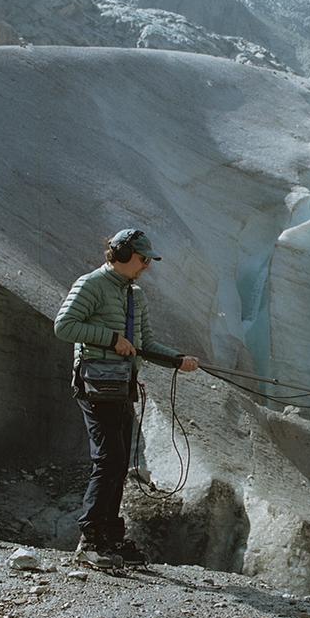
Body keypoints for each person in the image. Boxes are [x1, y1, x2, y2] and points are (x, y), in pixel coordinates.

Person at [54, 228, 199, 565]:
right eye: (142, 258)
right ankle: (91, 540)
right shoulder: (91, 284)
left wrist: (178, 359)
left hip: (121, 385)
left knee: (118, 462)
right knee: (109, 459)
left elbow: (144, 344)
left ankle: (110, 538)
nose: (147, 265)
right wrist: (111, 338)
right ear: (120, 254)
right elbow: (64, 326)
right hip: (96, 385)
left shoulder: (135, 294)